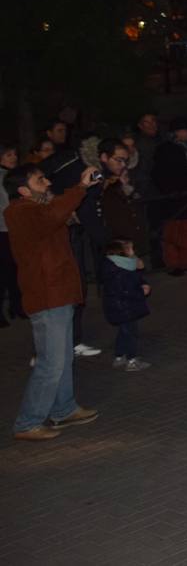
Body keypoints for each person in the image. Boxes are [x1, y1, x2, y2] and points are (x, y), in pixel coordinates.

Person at [7, 162, 103, 441]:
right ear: (23, 190)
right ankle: (27, 422)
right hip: (47, 295)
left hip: (57, 291)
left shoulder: (35, 209)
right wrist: (80, 187)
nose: (48, 182)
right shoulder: (19, 211)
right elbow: (52, 216)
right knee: (51, 362)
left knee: (62, 358)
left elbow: (54, 216)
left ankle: (64, 408)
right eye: (40, 180)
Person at [151, 118, 187, 275]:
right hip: (172, 197)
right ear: (176, 132)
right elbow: (159, 174)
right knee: (172, 233)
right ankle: (173, 265)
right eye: (186, 130)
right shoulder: (165, 149)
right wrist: (170, 191)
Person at [101, 239, 152, 372]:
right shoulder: (119, 269)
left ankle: (119, 356)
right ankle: (131, 360)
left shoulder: (122, 265)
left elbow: (135, 278)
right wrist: (141, 291)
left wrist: (142, 283)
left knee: (124, 331)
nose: (133, 252)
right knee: (131, 333)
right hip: (124, 307)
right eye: (130, 249)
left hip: (122, 306)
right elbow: (124, 290)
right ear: (121, 253)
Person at [0, 145, 22, 325]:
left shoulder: (15, 175)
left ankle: (17, 306)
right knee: (4, 272)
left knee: (15, 270)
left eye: (15, 154)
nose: (13, 157)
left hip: (14, 229)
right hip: (3, 230)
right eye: (9, 155)